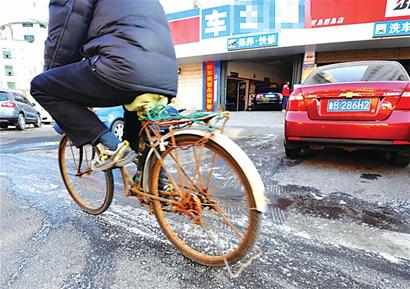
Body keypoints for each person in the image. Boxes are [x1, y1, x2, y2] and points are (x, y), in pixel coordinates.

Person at [30, 0, 178, 171]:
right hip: (165, 75)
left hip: (123, 66)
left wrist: (56, 82)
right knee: (137, 136)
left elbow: (64, 36)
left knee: (40, 86)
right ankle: (157, 182)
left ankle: (111, 146)